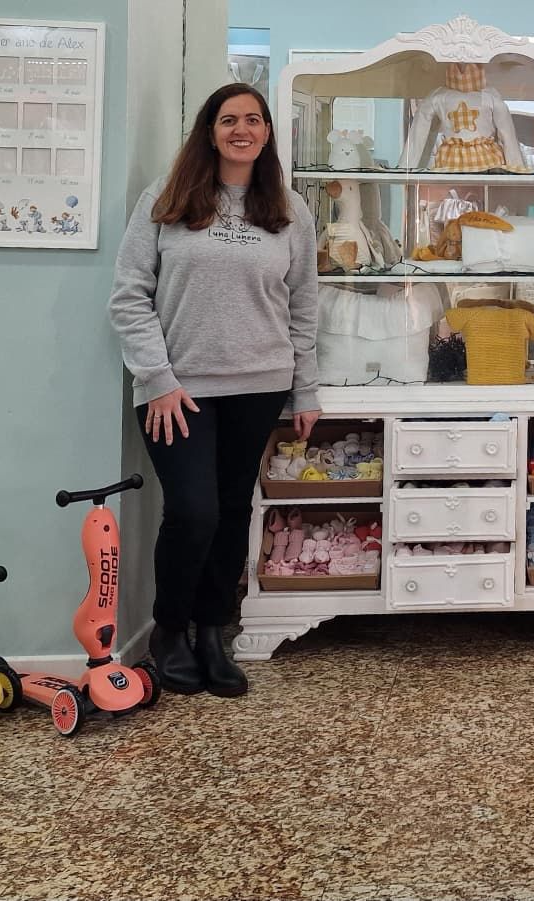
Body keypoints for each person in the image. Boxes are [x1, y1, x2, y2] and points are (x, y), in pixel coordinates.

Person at [108, 83, 320, 698]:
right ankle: (169, 631)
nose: (242, 129)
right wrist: (157, 378)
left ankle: (211, 633)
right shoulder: (168, 198)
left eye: (254, 120)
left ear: (267, 132)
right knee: (193, 512)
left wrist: (305, 392)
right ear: (210, 130)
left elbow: (304, 307)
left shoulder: (288, 209)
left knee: (232, 512)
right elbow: (128, 295)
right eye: (229, 120)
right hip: (179, 391)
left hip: (260, 385)